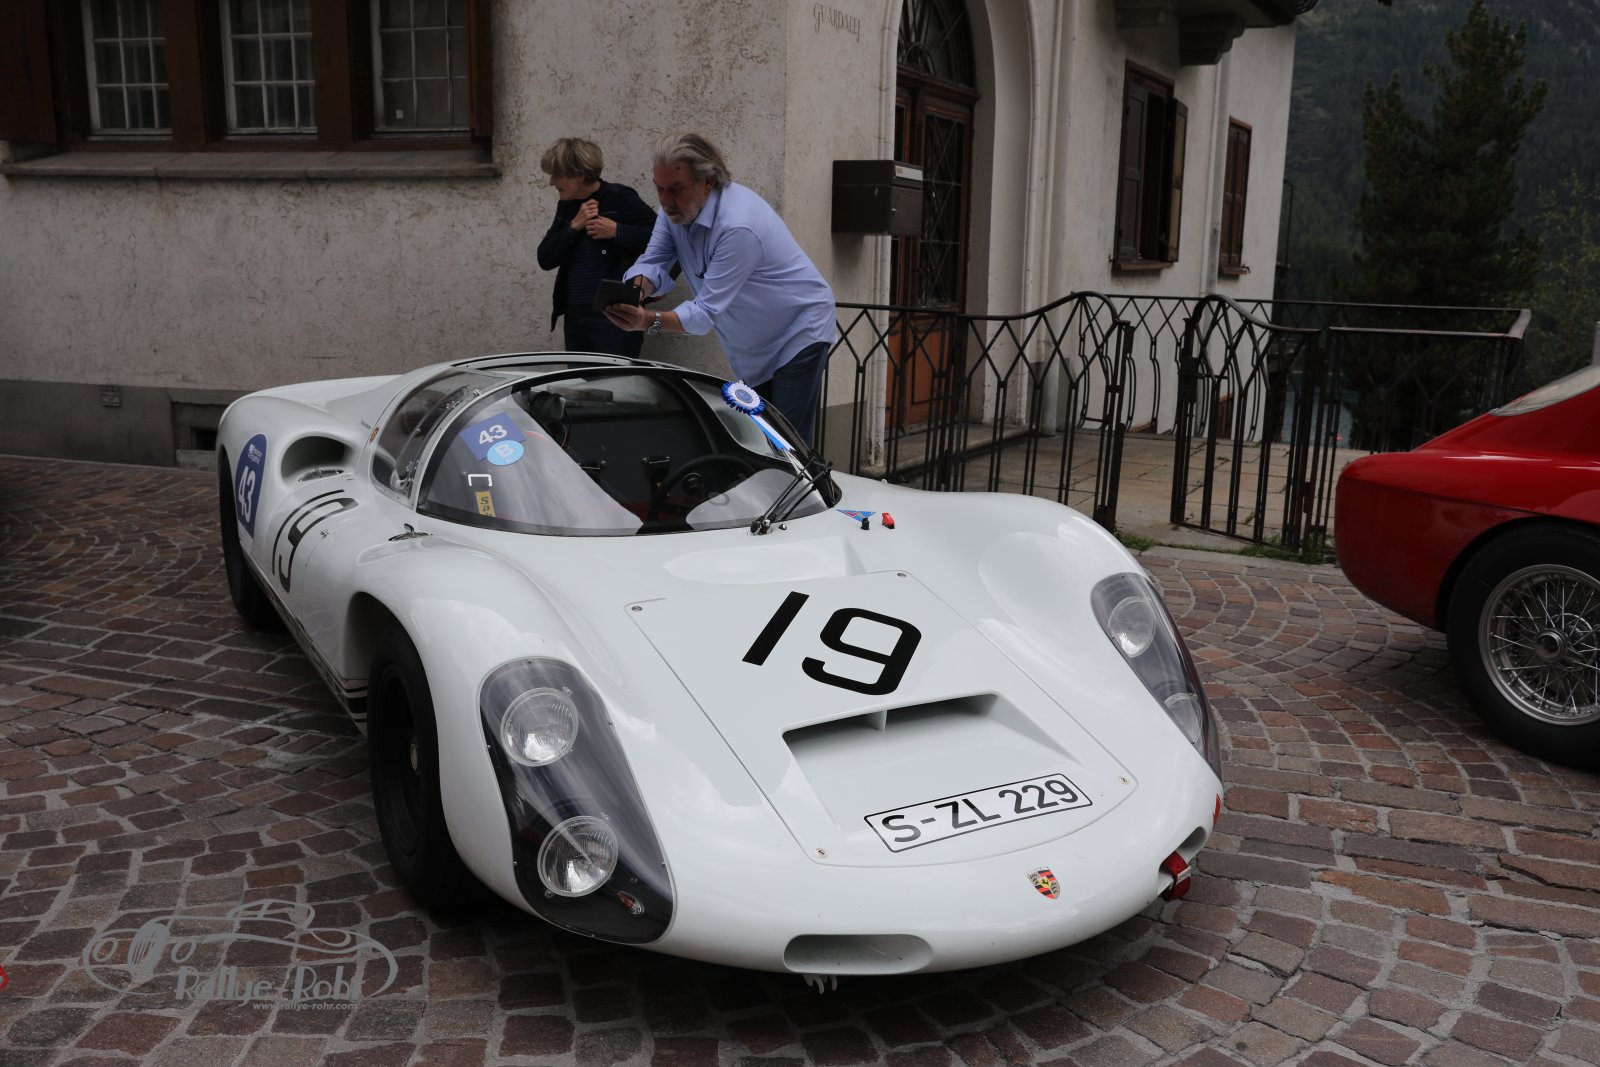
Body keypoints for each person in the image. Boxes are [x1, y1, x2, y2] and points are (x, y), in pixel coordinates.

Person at [602, 132, 836, 445]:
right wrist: (635, 291)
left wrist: (649, 321)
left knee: (787, 444)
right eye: (659, 188)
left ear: (708, 182)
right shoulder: (673, 212)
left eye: (676, 189)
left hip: (798, 329)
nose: (665, 200)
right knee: (764, 440)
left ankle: (805, 478)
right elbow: (654, 260)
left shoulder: (738, 225)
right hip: (755, 339)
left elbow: (705, 313)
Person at [536, 137, 657, 358]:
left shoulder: (618, 197)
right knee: (579, 379)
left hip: (615, 313)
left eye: (556, 175)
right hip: (575, 314)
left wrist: (618, 231)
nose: (551, 182)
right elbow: (545, 258)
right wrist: (573, 227)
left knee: (615, 378)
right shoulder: (566, 207)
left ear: (579, 175)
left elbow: (661, 240)